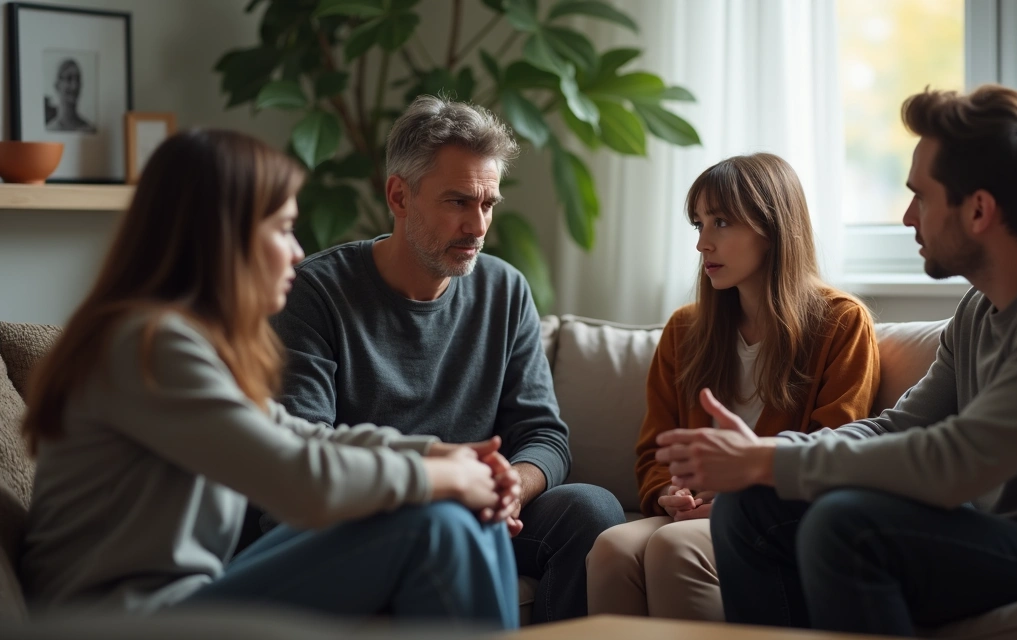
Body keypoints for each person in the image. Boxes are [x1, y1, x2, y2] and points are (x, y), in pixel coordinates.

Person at [658, 85, 1017, 636]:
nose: (906, 216)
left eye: (921, 196)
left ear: (979, 210)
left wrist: (768, 462)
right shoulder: (981, 307)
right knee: (749, 507)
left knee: (849, 528)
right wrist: (763, 455)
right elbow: (901, 427)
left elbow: (955, 463)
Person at [19, 129, 520, 629]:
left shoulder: (187, 340)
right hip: (117, 621)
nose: (299, 252)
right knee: (431, 523)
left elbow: (298, 434)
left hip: (184, 599)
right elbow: (300, 479)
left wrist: (440, 454)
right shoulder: (148, 346)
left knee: (469, 511)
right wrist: (450, 477)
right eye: (283, 229)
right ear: (223, 236)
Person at [250, 95, 625, 623]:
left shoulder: (506, 290)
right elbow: (300, 452)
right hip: (370, 516)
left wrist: (513, 486)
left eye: (488, 204)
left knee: (592, 508)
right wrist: (444, 482)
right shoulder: (314, 292)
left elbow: (544, 434)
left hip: (477, 503)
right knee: (435, 525)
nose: (477, 226)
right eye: (457, 202)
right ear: (399, 196)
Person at [585, 153, 880, 621]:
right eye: (698, 224)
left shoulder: (841, 322)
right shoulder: (685, 330)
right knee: (610, 548)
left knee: (672, 546)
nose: (703, 243)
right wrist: (667, 494)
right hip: (693, 512)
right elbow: (654, 450)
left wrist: (737, 500)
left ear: (773, 228)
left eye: (720, 222)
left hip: (773, 515)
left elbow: (834, 446)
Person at [45, 58, 94, 133]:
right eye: (69, 78)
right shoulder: (49, 130)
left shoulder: (89, 130)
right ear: (57, 85)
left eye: (77, 79)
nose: (74, 86)